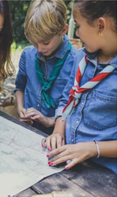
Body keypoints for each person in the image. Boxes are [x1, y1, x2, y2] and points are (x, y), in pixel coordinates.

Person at [45, 0, 117, 174]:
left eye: (78, 26)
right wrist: (57, 131)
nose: (76, 34)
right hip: (68, 161)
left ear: (100, 25)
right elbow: (68, 98)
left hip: (102, 172)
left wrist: (93, 149)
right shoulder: (81, 57)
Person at [14, 0, 77, 135]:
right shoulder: (28, 54)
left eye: (46, 42)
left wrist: (49, 120)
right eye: (34, 42)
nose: (40, 48)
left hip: (58, 135)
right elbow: (19, 87)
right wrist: (21, 109)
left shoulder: (76, 61)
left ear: (63, 30)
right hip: (29, 130)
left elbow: (75, 106)